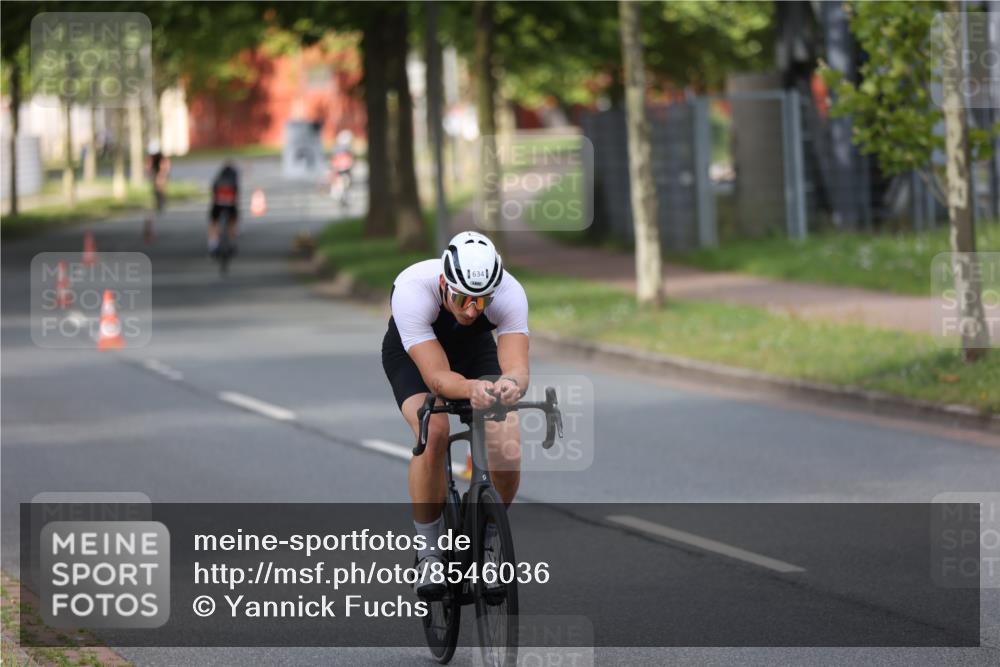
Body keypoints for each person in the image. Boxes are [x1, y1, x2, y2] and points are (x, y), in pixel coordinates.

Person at [381, 231, 530, 599]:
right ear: (446, 283)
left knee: (507, 445)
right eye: (462, 298)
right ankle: (429, 551)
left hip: (475, 352)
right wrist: (470, 389)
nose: (470, 310)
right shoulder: (413, 290)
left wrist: (510, 384)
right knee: (432, 432)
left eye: (481, 303)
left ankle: (490, 539)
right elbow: (437, 378)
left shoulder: (509, 293)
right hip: (417, 355)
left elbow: (516, 367)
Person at [208, 160, 240, 256]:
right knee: (232, 222)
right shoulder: (233, 180)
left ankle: (213, 244)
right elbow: (236, 196)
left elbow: (213, 193)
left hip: (217, 204)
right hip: (230, 205)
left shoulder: (218, 179)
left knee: (214, 223)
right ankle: (232, 242)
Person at [145, 141, 170, 234]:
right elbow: (148, 166)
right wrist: (148, 173)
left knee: (161, 187)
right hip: (155, 175)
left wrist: (162, 176)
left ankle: (162, 200)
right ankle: (158, 200)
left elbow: (165, 167)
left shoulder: (162, 158)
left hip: (161, 175)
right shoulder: (151, 158)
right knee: (156, 190)